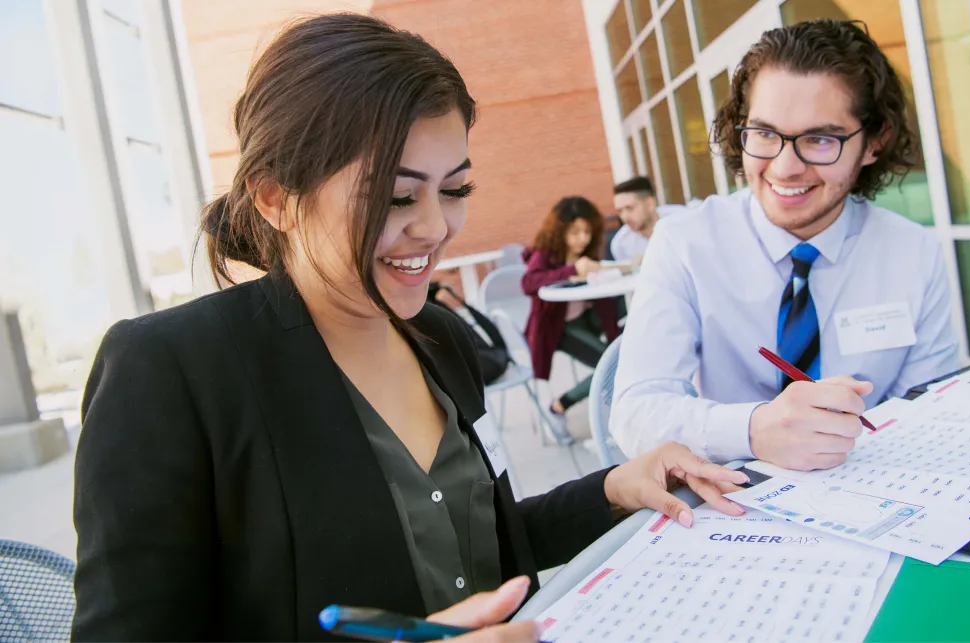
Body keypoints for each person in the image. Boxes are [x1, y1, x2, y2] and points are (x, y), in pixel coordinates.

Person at [71, 14, 749, 642]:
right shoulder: (168, 373)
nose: (434, 228)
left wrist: (614, 486)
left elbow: (487, 537)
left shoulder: (438, 336)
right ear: (275, 196)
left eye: (453, 189)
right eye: (396, 196)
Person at [611, 19, 959, 470]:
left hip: (879, 483)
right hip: (734, 495)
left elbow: (932, 410)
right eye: (765, 134)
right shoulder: (686, 244)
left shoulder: (914, 253)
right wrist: (755, 429)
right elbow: (636, 414)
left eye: (819, 139)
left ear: (875, 142)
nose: (784, 166)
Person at [520, 197, 622, 444]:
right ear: (560, 230)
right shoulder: (546, 254)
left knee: (625, 343)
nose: (582, 238)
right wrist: (574, 270)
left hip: (587, 318)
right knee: (612, 367)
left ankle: (621, 399)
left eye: (587, 231)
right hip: (558, 329)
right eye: (575, 232)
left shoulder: (586, 252)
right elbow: (528, 282)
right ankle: (558, 406)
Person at [608, 176, 687, 264]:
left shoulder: (681, 219)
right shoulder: (621, 244)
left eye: (629, 208)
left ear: (650, 204)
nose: (624, 217)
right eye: (620, 211)